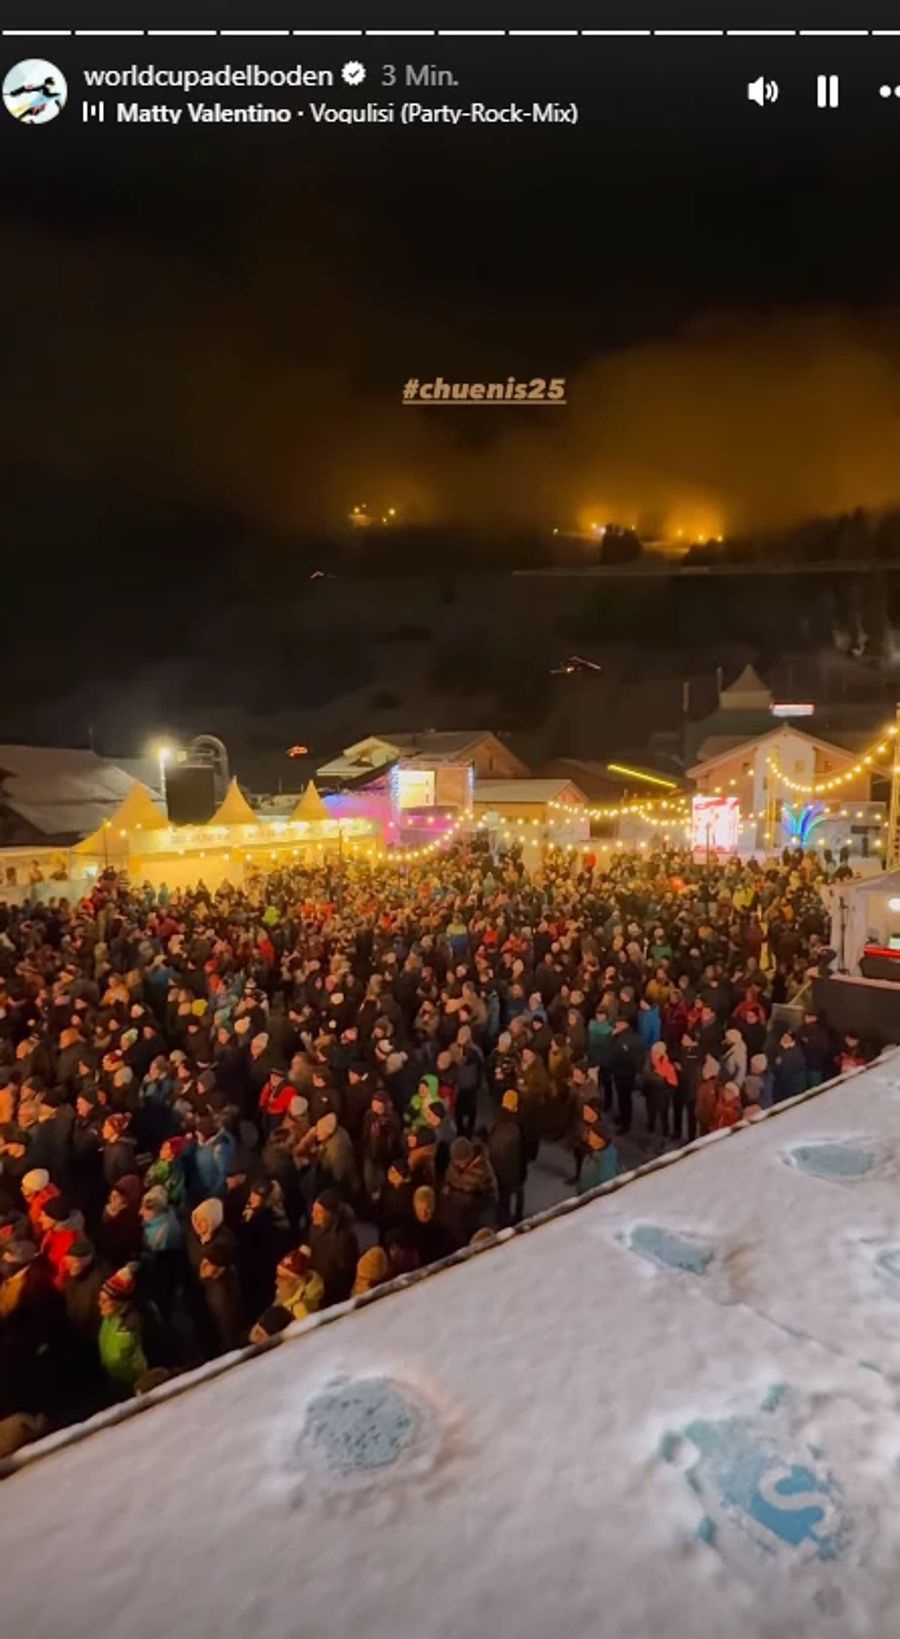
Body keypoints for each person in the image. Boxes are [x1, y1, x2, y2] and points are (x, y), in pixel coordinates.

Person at [97, 1264, 148, 1399]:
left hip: (136, 1392)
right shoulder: (109, 1319)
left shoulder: (134, 1324)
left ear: (118, 1302)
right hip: (117, 1387)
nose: (99, 1303)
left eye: (104, 1300)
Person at [308, 1190, 359, 1306]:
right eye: (313, 1210)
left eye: (319, 1212)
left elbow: (344, 1275)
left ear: (331, 1214)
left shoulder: (344, 1239)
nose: (313, 1215)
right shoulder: (316, 1229)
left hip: (332, 1297)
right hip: (316, 1289)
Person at [486, 1089, 527, 1226]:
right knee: (516, 1192)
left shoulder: (500, 1120)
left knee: (505, 1197)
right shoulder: (516, 1123)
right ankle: (515, 1216)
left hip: (503, 1167)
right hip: (514, 1166)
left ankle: (505, 1220)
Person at [577, 1125, 620, 1194]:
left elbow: (606, 1184)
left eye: (593, 1137)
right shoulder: (593, 1152)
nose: (588, 1138)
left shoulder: (606, 1159)